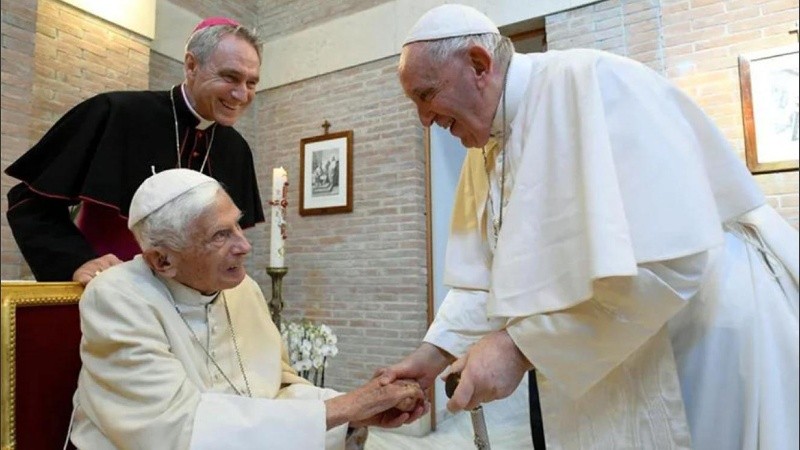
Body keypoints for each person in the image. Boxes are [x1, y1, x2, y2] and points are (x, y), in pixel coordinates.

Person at [379, 4, 799, 449]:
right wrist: (433, 354)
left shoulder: (595, 82)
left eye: (426, 95)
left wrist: (520, 348)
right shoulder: (485, 144)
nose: (424, 119)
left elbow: (673, 263)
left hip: (700, 338)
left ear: (479, 65)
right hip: (623, 348)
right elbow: (484, 278)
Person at [69, 168, 428, 449]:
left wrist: (354, 413)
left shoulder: (243, 289)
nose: (244, 245)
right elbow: (177, 430)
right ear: (163, 260)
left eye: (237, 225)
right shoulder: (117, 297)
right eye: (220, 235)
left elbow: (278, 387)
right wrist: (343, 410)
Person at [4, 17, 264, 285]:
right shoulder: (115, 113)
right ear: (191, 66)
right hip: (108, 292)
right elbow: (29, 202)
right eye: (230, 77)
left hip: (192, 304)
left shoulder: (237, 150)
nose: (241, 94)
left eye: (251, 83)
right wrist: (77, 261)